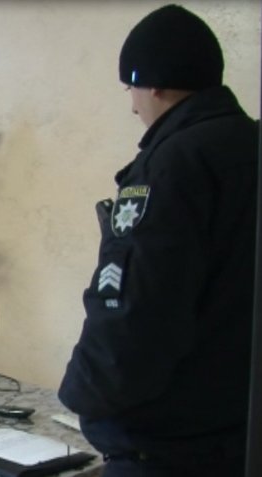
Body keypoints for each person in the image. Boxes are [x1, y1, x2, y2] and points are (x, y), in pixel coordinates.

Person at [58, 4, 258, 477]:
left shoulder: (171, 165)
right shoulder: (249, 144)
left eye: (129, 89)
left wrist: (80, 395)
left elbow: (134, 310)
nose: (132, 106)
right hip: (240, 436)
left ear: (153, 84)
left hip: (166, 450)